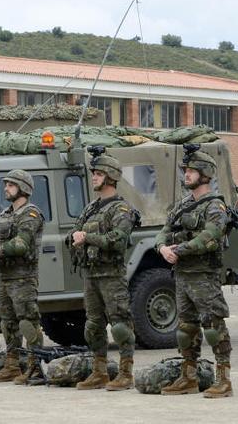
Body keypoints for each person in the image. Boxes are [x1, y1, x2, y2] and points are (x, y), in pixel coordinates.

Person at [156, 147, 233, 398]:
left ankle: (224, 380)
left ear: (206, 174)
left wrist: (180, 249)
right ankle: (187, 378)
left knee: (213, 326)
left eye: (191, 171)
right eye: (186, 171)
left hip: (203, 275)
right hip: (182, 274)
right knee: (185, 329)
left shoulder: (215, 206)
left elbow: (210, 237)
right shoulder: (181, 206)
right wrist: (162, 248)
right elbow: (163, 230)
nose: (186, 175)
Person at [68, 151, 138, 391]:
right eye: (94, 174)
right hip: (91, 274)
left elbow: (118, 240)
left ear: (110, 177)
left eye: (98, 174)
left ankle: (126, 373)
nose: (94, 178)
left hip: (111, 275)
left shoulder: (121, 209)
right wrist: (76, 239)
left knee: (120, 324)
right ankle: (99, 371)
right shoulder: (90, 208)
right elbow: (75, 233)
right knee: (93, 326)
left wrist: (87, 237)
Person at [0, 169, 45, 384]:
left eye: (10, 184)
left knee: (28, 322)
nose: (6, 188)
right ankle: (12, 364)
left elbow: (21, 244)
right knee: (7, 323)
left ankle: (35, 366)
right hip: (4, 277)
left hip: (23, 277)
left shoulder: (31, 214)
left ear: (23, 188)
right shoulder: (4, 214)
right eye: (6, 184)